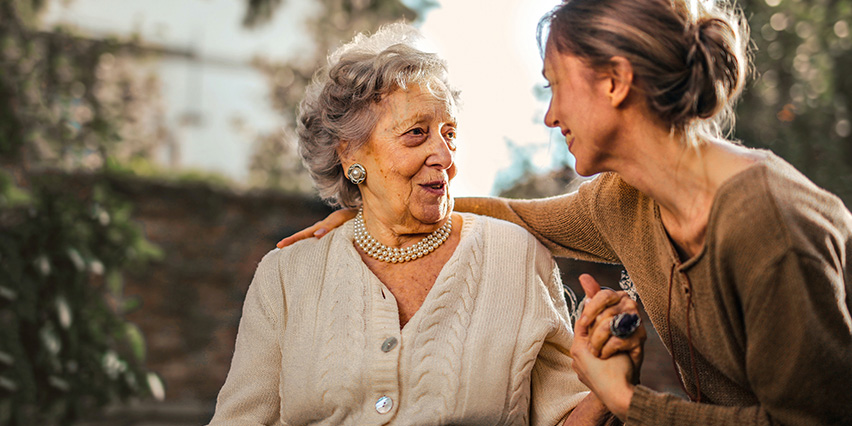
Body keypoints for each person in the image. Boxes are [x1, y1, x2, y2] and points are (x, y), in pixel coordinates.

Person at [278, 0, 852, 424]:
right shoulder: (624, 200)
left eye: (556, 86)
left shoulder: (769, 225)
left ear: (615, 81)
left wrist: (626, 398)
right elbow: (517, 216)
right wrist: (378, 214)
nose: (550, 116)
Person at [208, 23, 629, 426]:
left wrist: (607, 390)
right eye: (416, 133)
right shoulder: (286, 275)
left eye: (449, 134)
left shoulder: (516, 257)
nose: (445, 157)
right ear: (351, 154)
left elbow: (563, 417)